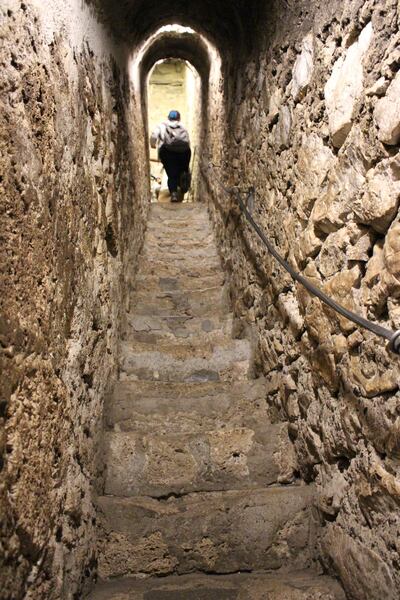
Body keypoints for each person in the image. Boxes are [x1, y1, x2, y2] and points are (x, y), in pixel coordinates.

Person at [150, 110, 191, 202]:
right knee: (183, 170)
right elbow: (187, 141)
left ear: (168, 117)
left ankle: (174, 194)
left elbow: (154, 136)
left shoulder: (162, 125)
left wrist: (153, 145)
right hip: (184, 152)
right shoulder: (182, 126)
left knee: (172, 175)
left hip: (168, 153)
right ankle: (183, 185)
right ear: (179, 118)